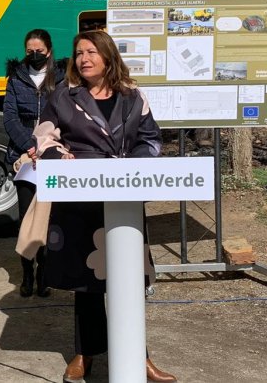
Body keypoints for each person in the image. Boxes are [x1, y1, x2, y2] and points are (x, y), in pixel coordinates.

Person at [31, 30, 177, 383]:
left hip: (123, 197)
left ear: (109, 56)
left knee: (128, 279)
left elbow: (151, 138)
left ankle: (138, 356)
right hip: (81, 197)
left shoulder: (132, 96)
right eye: (79, 52)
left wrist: (131, 165)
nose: (83, 58)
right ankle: (86, 354)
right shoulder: (62, 97)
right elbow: (43, 137)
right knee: (88, 280)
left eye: (91, 52)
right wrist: (58, 156)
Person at [3, 28, 64, 298]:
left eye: (39, 50)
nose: (34, 55)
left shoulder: (62, 77)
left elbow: (67, 115)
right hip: (24, 155)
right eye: (30, 51)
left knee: (50, 219)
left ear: (49, 50)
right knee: (27, 217)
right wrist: (30, 146)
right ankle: (26, 273)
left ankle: (45, 274)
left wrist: (47, 147)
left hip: (52, 153)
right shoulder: (16, 78)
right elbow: (10, 117)